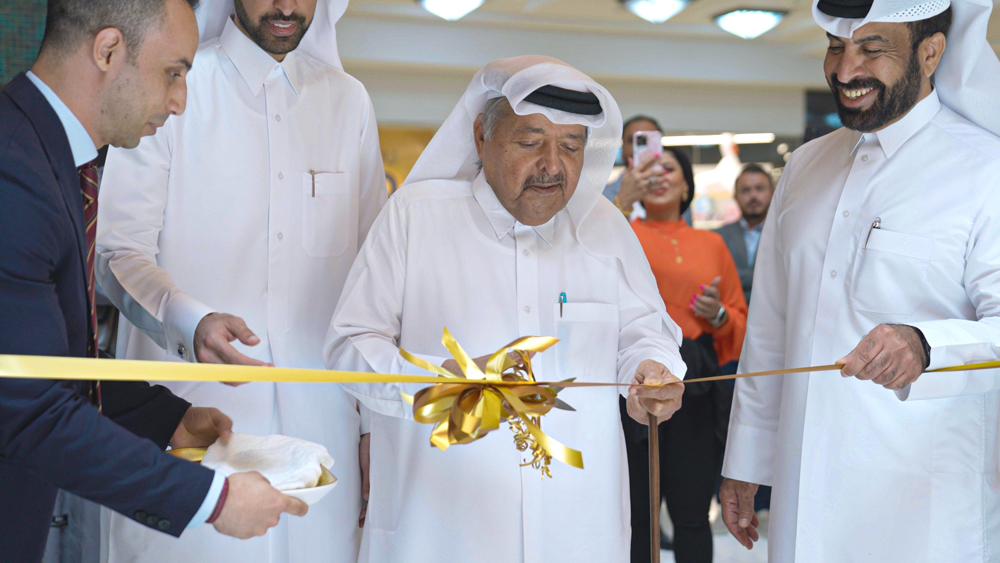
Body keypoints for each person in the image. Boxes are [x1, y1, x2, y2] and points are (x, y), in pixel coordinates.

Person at [324, 55, 686, 563]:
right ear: (480, 136)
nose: (552, 165)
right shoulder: (416, 216)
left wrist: (651, 368)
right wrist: (426, 382)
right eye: (530, 141)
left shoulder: (604, 226)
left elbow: (644, 331)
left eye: (571, 146)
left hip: (578, 528)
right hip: (440, 529)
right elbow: (348, 343)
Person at [0, 1, 308, 561]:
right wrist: (211, 500)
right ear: (108, 50)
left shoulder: (47, 157)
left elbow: (51, 358)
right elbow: (29, 406)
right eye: (173, 73)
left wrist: (169, 420)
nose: (179, 102)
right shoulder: (12, 169)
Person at [94, 0, 386, 561]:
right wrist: (188, 319)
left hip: (323, 443)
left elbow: (371, 288)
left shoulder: (348, 103)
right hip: (190, 423)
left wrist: (373, 427)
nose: (287, 6)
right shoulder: (175, 87)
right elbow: (116, 252)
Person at [719, 0, 1000, 560]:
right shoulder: (803, 166)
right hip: (804, 487)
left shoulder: (984, 170)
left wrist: (926, 345)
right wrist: (745, 461)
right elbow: (771, 326)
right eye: (835, 48)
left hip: (926, 502)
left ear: (931, 53)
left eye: (872, 49)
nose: (846, 72)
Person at [625, 147, 747, 563]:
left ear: (686, 184)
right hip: (631, 380)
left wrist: (717, 315)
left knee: (692, 512)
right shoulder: (620, 233)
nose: (658, 176)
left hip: (693, 383)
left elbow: (737, 318)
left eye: (669, 168)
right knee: (636, 513)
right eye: (648, 168)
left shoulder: (711, 243)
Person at [713, 164, 774, 305]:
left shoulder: (785, 235)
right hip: (729, 319)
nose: (753, 195)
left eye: (759, 188)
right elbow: (715, 277)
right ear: (735, 196)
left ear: (772, 193)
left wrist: (734, 276)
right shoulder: (717, 237)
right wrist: (763, 277)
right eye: (746, 190)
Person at [603, 115, 664, 219]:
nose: (640, 149)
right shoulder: (601, 195)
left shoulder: (674, 192)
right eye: (632, 140)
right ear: (622, 147)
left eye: (648, 139)